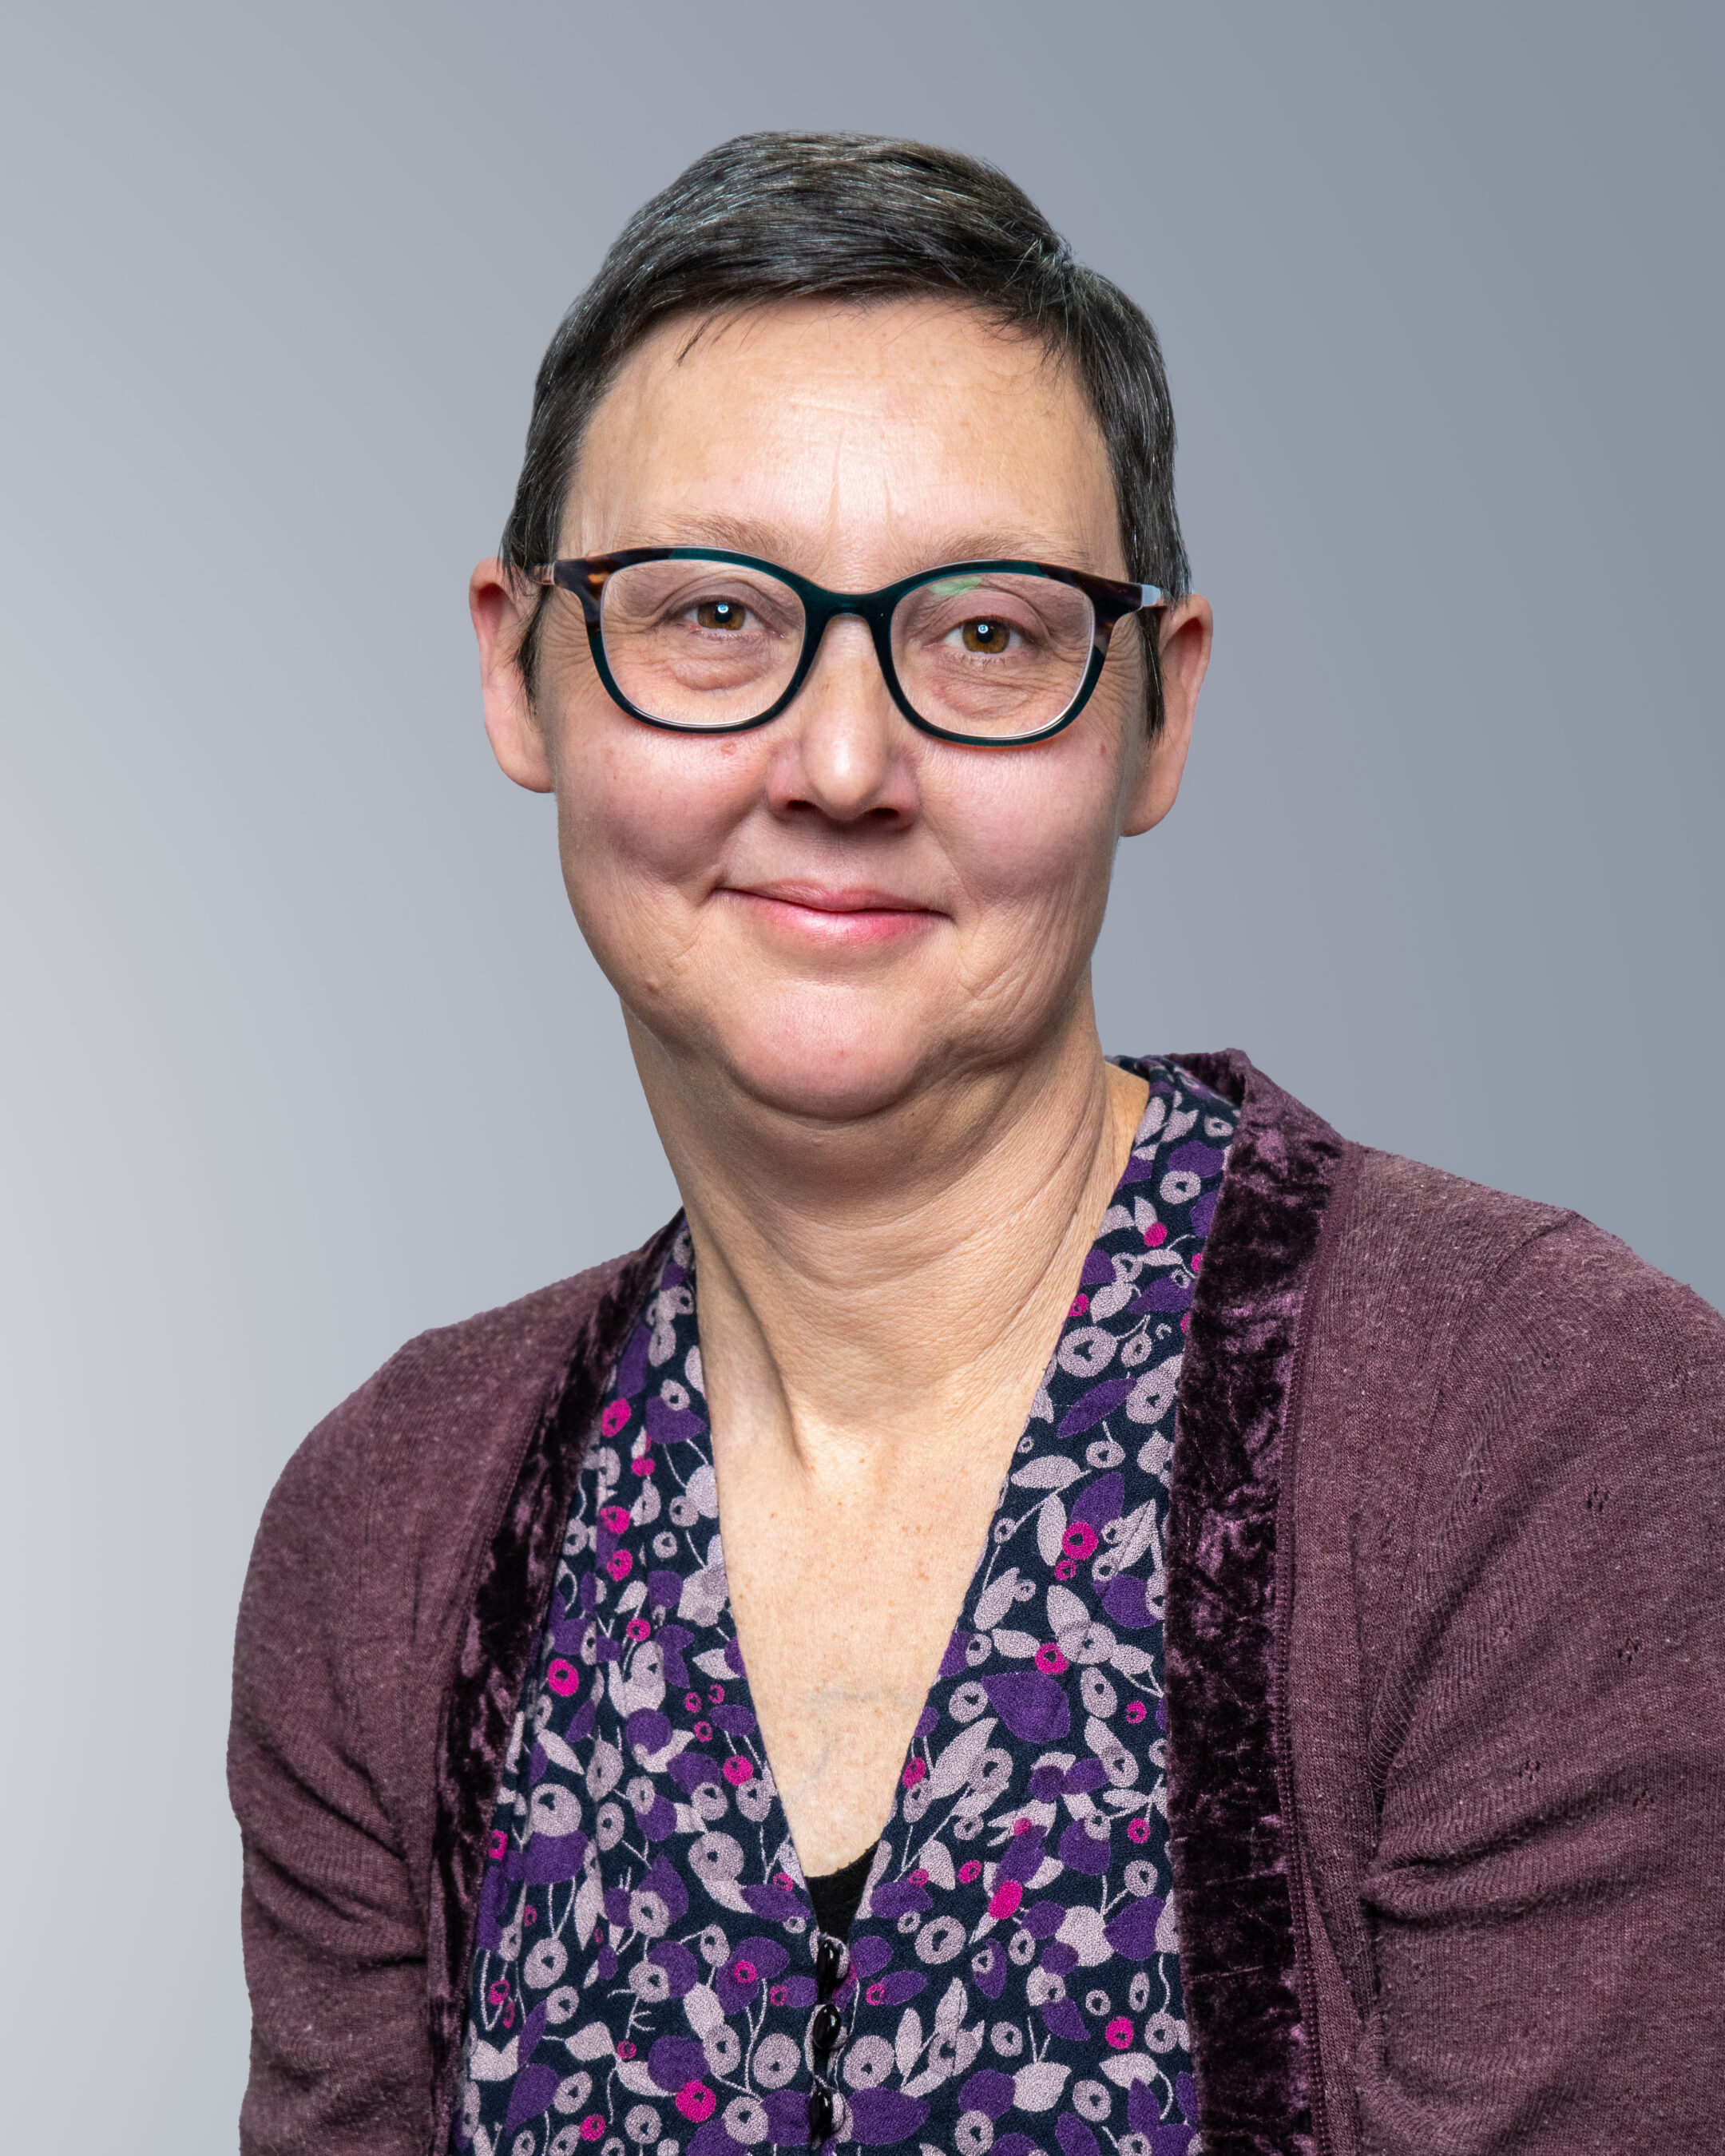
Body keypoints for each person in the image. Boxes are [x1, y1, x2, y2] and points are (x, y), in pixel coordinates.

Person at [228, 134, 1725, 2156]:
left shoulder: (1543, 1436)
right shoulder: (385, 1531)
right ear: (521, 667)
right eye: (710, 615)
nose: (841, 764)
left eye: (990, 636)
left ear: (1157, 716)